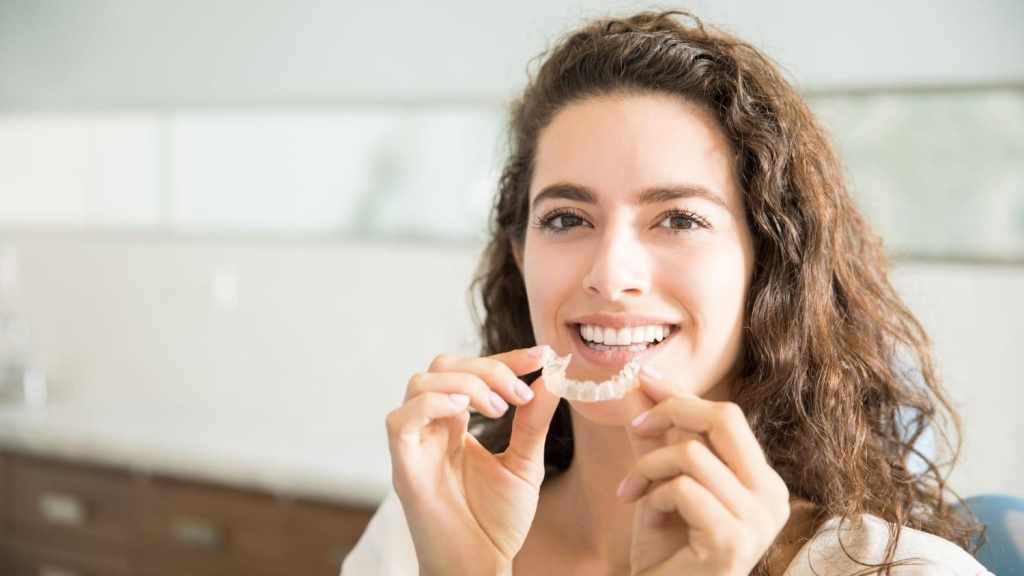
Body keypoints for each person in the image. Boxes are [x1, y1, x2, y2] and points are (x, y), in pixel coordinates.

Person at [343, 10, 991, 576]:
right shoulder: (419, 537)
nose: (610, 272)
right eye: (567, 218)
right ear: (521, 256)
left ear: (769, 265)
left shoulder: (900, 571)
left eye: (679, 218)